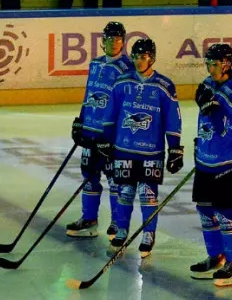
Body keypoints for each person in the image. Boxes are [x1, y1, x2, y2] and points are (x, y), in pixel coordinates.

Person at [101, 38, 183, 257]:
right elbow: (111, 112)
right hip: (123, 148)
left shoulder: (164, 86)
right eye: (136, 56)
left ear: (152, 58)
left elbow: (172, 119)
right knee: (125, 192)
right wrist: (105, 139)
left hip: (151, 151)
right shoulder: (121, 82)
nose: (139, 61)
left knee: (148, 194)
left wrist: (174, 147)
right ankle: (122, 229)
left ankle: (148, 234)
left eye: (144, 57)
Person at [66, 21, 134, 240]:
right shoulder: (95, 64)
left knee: (115, 179)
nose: (113, 42)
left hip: (111, 135)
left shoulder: (127, 68)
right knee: (89, 175)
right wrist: (80, 120)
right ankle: (90, 219)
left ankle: (117, 224)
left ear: (123, 42)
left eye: (118, 39)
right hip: (91, 131)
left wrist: (116, 136)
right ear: (102, 40)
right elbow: (89, 93)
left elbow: (127, 104)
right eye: (109, 38)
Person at [190, 43, 232, 287]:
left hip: (226, 162)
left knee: (226, 215)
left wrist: (214, 112)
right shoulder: (208, 83)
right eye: (209, 63)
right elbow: (203, 111)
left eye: (215, 64)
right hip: (205, 159)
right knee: (205, 211)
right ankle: (216, 257)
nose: (211, 68)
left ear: (226, 64)